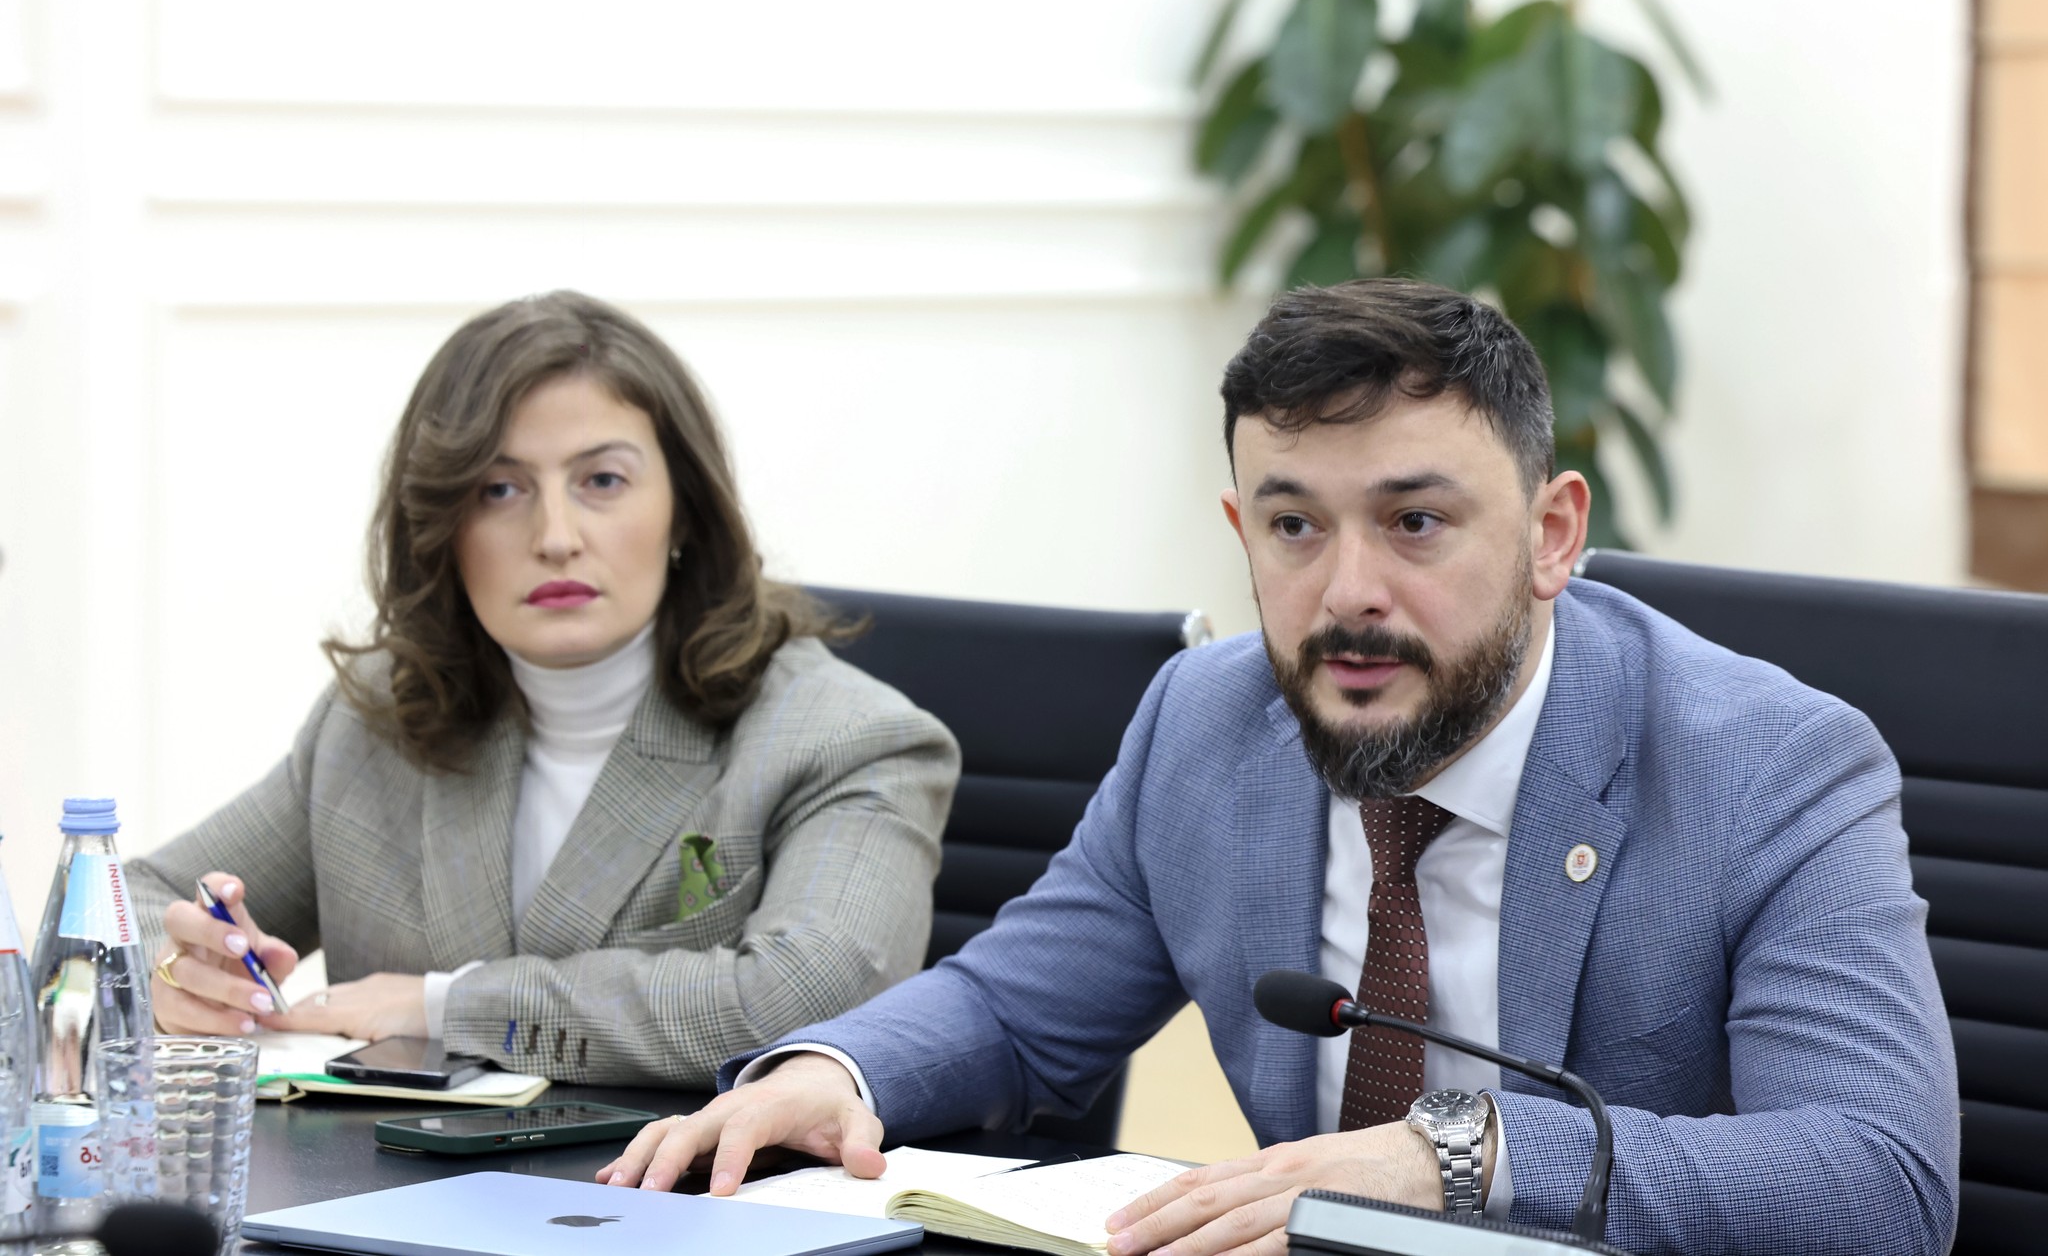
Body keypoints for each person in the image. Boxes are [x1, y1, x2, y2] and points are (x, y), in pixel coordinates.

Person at [598, 279, 1959, 1255]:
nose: (1346, 590)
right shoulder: (1206, 719)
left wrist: (1457, 1156)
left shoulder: (1769, 765)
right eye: (1294, 526)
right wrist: (838, 1074)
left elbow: (1878, 1181)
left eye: (1414, 522)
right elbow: (1016, 1011)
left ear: (1551, 535)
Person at [129, 290, 960, 1087]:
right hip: (375, 1179)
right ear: (441, 530)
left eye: (602, 481)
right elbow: (129, 901)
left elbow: (805, 996)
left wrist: (445, 1008)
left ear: (684, 511)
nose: (556, 537)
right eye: (499, 490)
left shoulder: (844, 736)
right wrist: (178, 972)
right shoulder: (378, 719)